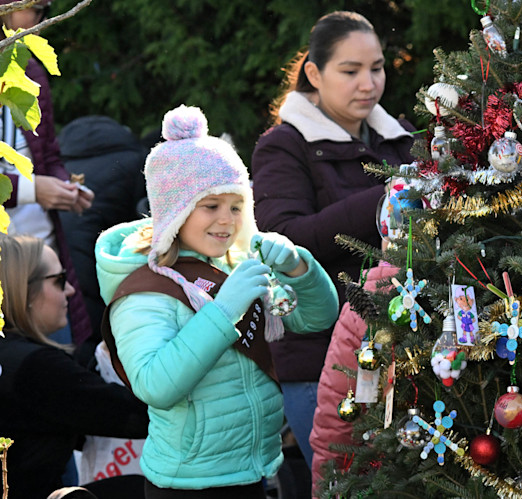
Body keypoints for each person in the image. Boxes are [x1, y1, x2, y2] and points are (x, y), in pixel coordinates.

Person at [95, 105, 338, 498]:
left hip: (250, 469)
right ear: (175, 211)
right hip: (187, 483)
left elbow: (316, 319)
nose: (227, 220)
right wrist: (225, 311)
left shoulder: (235, 263)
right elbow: (155, 385)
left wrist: (298, 269)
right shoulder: (143, 287)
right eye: (211, 206)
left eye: (236, 206)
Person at [251, 10, 416, 470]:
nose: (368, 84)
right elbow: (284, 239)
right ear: (313, 73)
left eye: (377, 68)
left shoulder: (401, 142)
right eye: (350, 71)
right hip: (318, 361)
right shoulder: (283, 145)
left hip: (402, 355)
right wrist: (386, 197)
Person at [0, 233, 149, 499]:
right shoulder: (34, 367)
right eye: (59, 280)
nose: (70, 289)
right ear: (25, 290)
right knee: (137, 491)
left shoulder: (14, 356)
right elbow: (136, 417)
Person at [0, 0, 93, 346]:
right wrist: (33, 190)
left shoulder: (30, 71)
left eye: (44, 8)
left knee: (60, 366)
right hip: (5, 273)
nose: (39, 19)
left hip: (43, 263)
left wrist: (64, 186)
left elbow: (48, 152)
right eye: (33, 6)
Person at [57, 115, 147, 366]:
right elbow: (141, 221)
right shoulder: (133, 160)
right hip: (101, 265)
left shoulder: (60, 162)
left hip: (58, 264)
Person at [309, 242, 397, 494]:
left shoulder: (374, 293)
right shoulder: (370, 298)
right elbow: (338, 405)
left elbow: (333, 423)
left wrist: (324, 486)